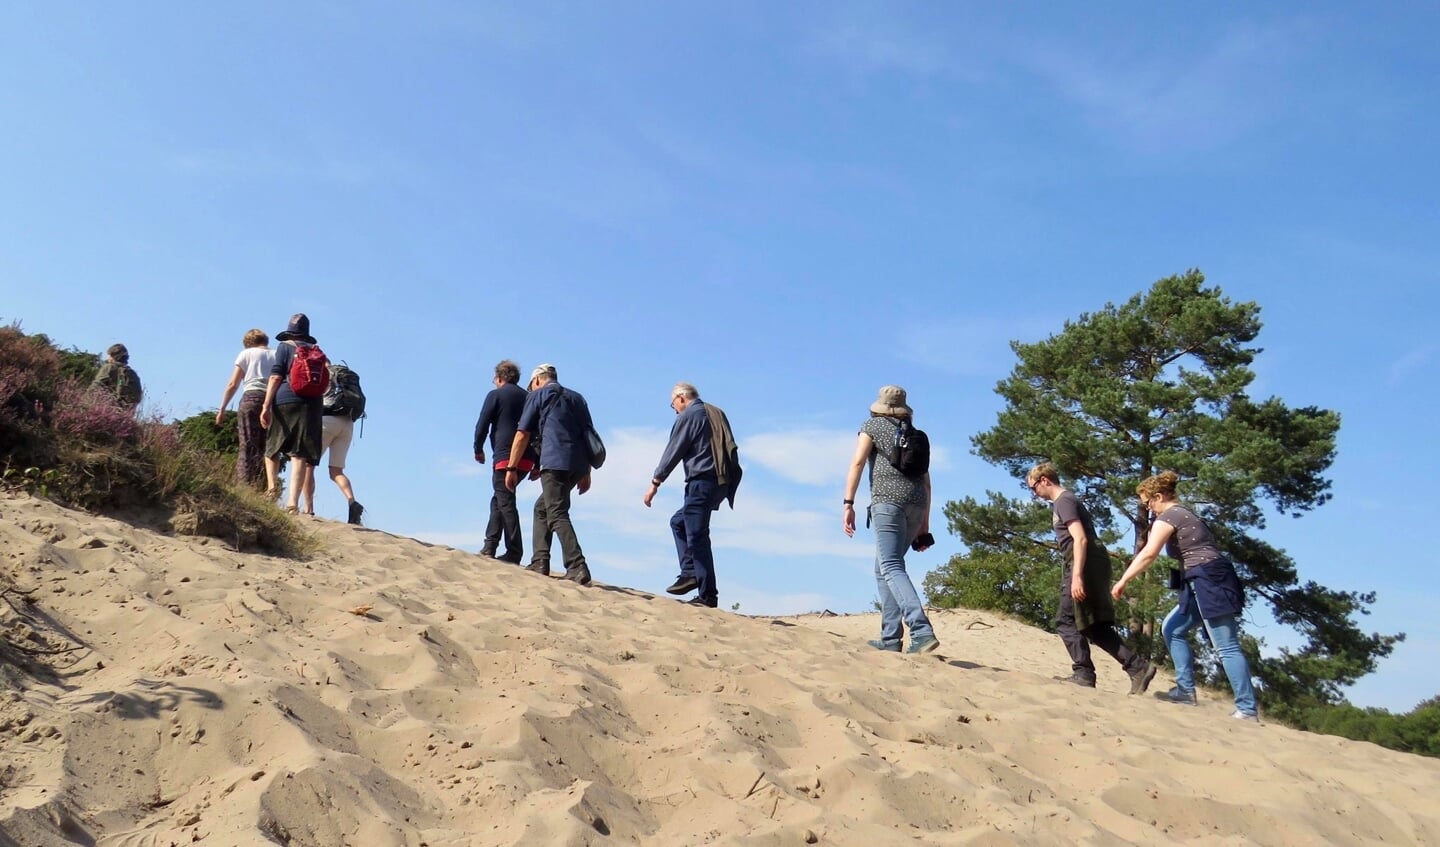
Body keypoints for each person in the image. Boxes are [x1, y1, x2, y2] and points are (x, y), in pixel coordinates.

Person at [1112, 471, 1259, 721]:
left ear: (1158, 497)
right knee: (1172, 629)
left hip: (1209, 579)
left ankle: (1246, 709)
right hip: (1198, 581)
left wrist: (1124, 579)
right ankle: (1185, 691)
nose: (1148, 510)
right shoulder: (1185, 513)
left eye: (1147, 504)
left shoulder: (1169, 516)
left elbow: (1149, 554)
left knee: (1227, 646)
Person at [1027, 462, 1156, 693]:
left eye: (1034, 487)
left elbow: (1080, 539)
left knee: (1066, 620)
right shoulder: (1066, 501)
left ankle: (1083, 673)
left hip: (1084, 563)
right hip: (1091, 562)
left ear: (1045, 480)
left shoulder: (1064, 501)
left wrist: (1077, 575)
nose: (1034, 493)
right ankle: (1137, 668)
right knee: (1092, 625)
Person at [842, 386, 939, 654]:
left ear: (879, 407)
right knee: (883, 567)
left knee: (891, 565)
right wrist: (925, 524)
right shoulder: (916, 435)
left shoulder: (871, 426)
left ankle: (921, 630)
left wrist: (848, 503)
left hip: (888, 502)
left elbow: (858, 463)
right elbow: (927, 484)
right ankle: (890, 638)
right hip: (917, 505)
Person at [644, 382, 742, 609]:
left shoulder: (690, 415)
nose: (675, 410)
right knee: (680, 522)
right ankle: (690, 572)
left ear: (680, 398)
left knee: (697, 536)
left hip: (701, 481)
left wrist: (655, 483)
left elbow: (673, 451)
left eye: (673, 405)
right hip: (720, 483)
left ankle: (707, 594)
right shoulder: (716, 412)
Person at [506, 364, 595, 585]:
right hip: (578, 463)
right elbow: (588, 434)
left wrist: (511, 468)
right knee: (542, 508)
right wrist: (587, 472)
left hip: (555, 460)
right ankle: (540, 561)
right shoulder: (577, 398)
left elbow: (522, 433)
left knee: (556, 512)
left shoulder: (539, 395)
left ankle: (577, 565)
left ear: (537, 381)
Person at [260, 314, 324, 515]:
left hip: (286, 400)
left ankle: (271, 489)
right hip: (312, 405)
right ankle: (292, 504)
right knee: (300, 455)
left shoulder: (285, 347)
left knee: (272, 448)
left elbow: (276, 375)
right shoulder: (317, 352)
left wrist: (266, 404)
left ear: (289, 331)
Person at [474, 359, 537, 563]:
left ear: (500, 377)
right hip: (527, 458)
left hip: (506, 456)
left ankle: (514, 551)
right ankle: (490, 544)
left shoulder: (496, 395)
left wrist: (478, 448)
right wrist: (538, 460)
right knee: (499, 499)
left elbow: (483, 422)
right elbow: (538, 429)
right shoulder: (529, 398)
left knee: (506, 502)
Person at [301, 360, 365, 525]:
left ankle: (308, 509)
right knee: (336, 471)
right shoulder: (345, 378)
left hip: (327, 420)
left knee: (308, 465)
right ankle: (352, 501)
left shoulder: (323, 375)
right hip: (347, 423)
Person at [217, 329, 276, 492]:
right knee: (268, 447)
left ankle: (244, 488)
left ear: (248, 342)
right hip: (272, 401)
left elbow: (233, 384)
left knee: (248, 444)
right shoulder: (277, 354)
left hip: (251, 397)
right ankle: (265, 488)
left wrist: (222, 408)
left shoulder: (246, 354)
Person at [91, 343, 143, 410]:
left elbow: (96, 386)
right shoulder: (132, 373)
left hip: (107, 410)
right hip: (126, 412)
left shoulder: (109, 367)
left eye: (109, 356)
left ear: (113, 355)